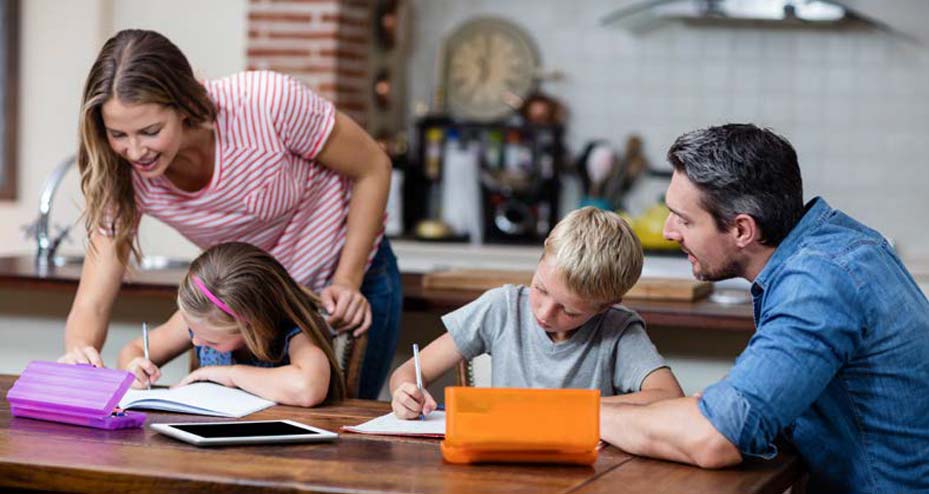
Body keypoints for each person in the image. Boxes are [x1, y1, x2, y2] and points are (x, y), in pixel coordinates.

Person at [58, 29, 401, 399]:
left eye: (150, 131)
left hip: (344, 282)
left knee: (341, 429)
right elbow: (92, 299)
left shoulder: (268, 103)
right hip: (246, 310)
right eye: (118, 134)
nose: (135, 151)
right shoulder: (122, 171)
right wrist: (80, 352)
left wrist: (347, 280)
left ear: (185, 104)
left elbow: (373, 168)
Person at [600, 124, 929, 492]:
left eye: (684, 219)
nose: (668, 231)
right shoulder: (834, 245)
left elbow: (715, 439)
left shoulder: (818, 283)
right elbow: (738, 414)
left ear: (742, 230)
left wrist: (584, 416)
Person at [390, 207, 683, 419]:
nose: (544, 312)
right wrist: (406, 393)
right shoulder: (502, 307)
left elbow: (668, 397)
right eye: (540, 289)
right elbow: (409, 372)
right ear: (542, 255)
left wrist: (568, 407)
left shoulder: (617, 329)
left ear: (607, 305)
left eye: (568, 310)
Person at [118, 242, 345, 406]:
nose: (195, 340)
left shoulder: (294, 334)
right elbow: (132, 350)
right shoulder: (199, 320)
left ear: (253, 327)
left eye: (211, 340)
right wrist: (134, 366)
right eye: (192, 331)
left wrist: (231, 374)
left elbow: (308, 388)